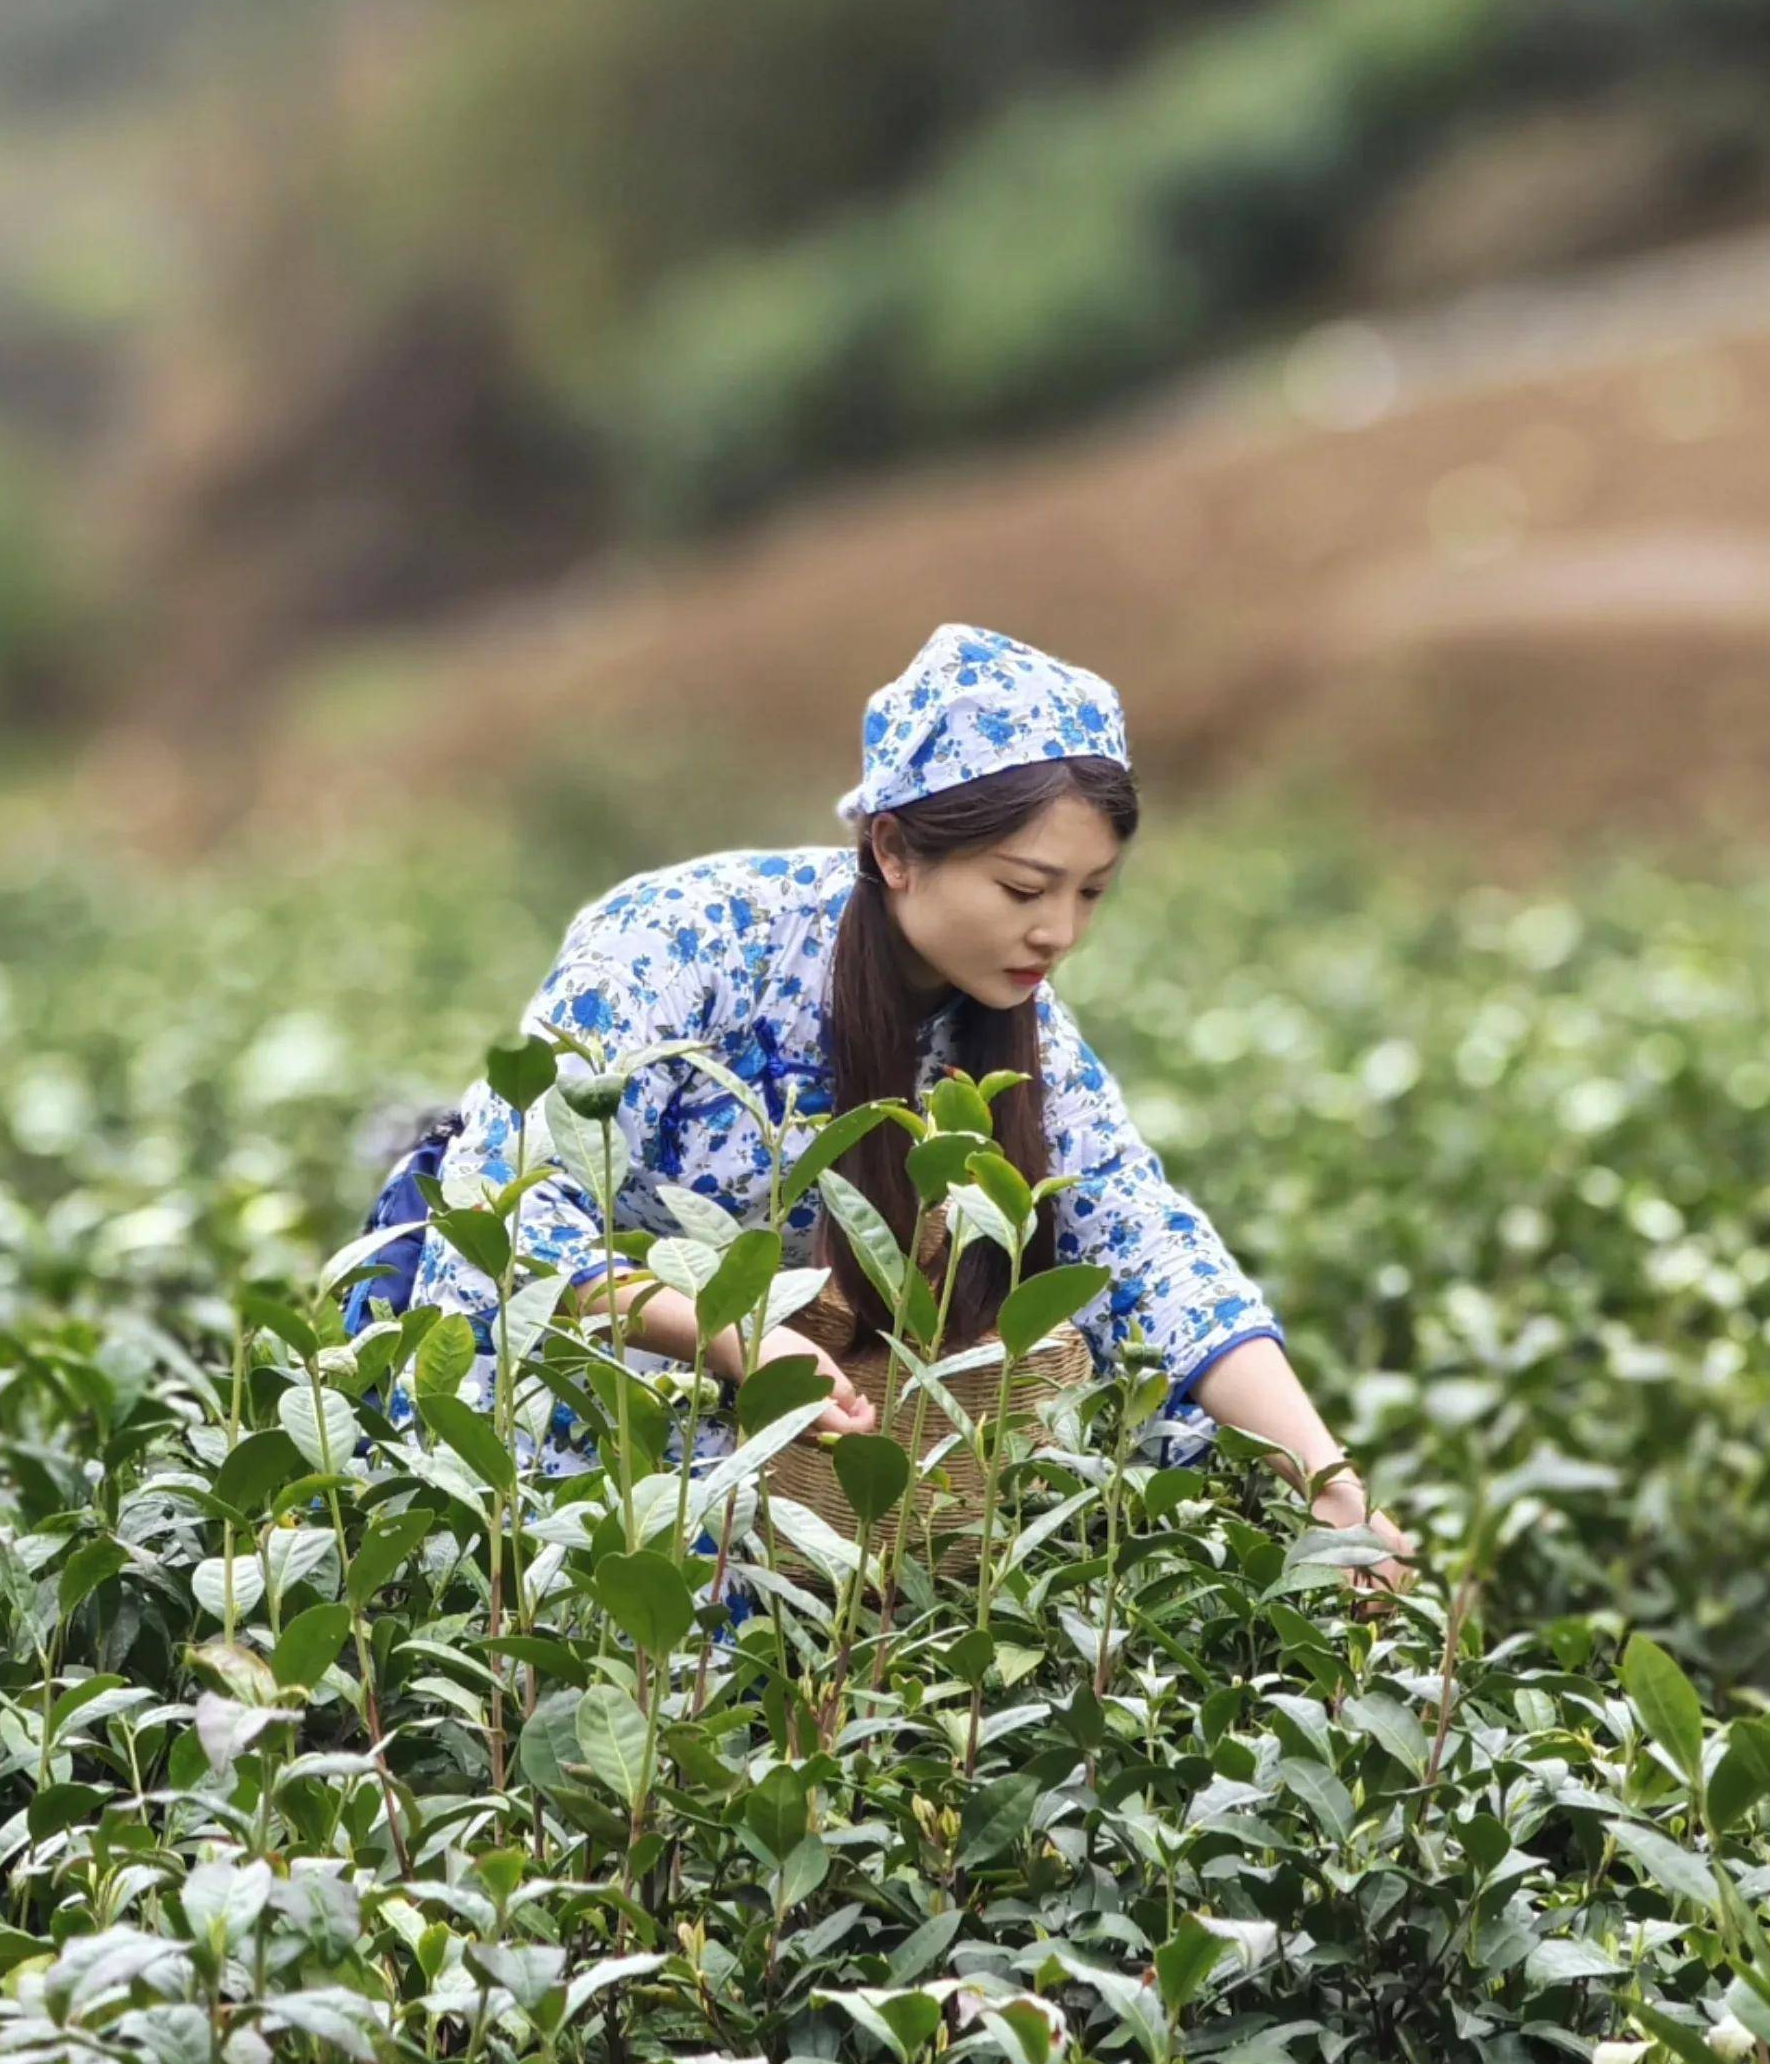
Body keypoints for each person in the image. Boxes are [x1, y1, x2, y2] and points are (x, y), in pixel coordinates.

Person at [382, 622, 1410, 1580]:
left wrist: (1332, 1491)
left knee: (1179, 1470)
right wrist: (736, 1338)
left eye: (1090, 892)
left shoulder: (1015, 1021)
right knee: (651, 1584)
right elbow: (504, 1209)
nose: (1058, 932)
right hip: (584, 1354)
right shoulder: (686, 938)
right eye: (1023, 889)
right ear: (892, 851)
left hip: (803, 1390)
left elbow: (1145, 1244)